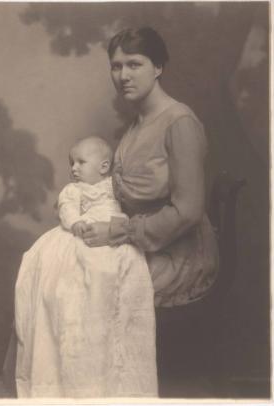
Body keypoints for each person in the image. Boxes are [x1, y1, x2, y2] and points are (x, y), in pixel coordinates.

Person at [81, 27, 219, 392]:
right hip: (143, 240)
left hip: (179, 253)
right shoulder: (135, 124)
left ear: (158, 67)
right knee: (64, 264)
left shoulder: (180, 123)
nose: (123, 76)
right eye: (115, 66)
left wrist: (119, 232)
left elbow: (188, 211)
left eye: (134, 64)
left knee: (91, 287)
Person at [15, 136, 158, 398]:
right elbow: (66, 209)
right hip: (83, 230)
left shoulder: (114, 187)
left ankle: (117, 374)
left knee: (125, 264)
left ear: (104, 167)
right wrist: (76, 222)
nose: (74, 168)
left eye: (81, 162)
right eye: (72, 163)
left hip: (114, 232)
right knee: (77, 270)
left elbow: (132, 208)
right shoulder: (74, 190)